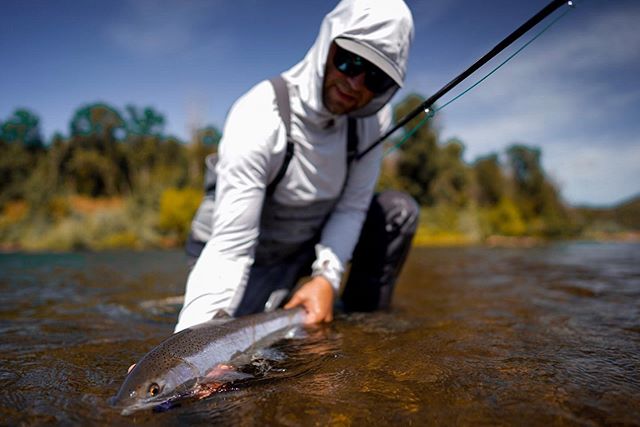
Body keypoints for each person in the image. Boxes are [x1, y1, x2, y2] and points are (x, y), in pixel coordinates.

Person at [174, 0, 418, 333]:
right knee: (230, 334)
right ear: (326, 45)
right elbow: (230, 246)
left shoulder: (372, 120)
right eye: (350, 61)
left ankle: (362, 332)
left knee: (397, 211)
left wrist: (326, 279)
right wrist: (189, 345)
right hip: (235, 242)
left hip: (300, 245)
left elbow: (352, 207)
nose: (356, 84)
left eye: (375, 77)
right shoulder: (259, 114)